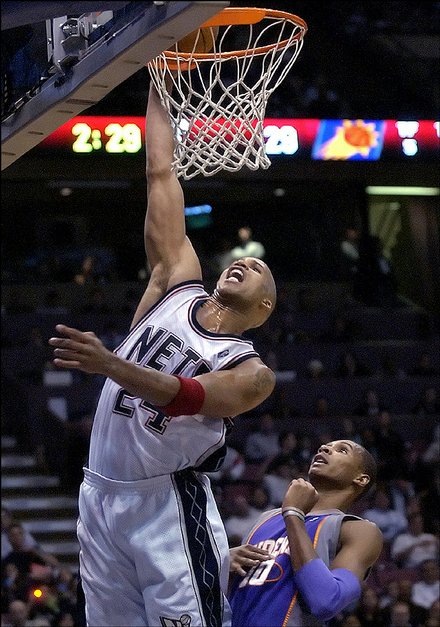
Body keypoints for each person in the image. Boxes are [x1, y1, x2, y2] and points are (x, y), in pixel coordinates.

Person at [48, 78, 278, 627]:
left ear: (265, 306)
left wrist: (110, 364)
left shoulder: (251, 371)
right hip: (99, 493)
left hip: (166, 506)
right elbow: (160, 170)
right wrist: (159, 70)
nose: (246, 263)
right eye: (244, 259)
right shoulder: (177, 280)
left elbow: (186, 396)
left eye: (261, 269)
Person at [228, 439, 383, 626]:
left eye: (342, 450)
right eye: (324, 447)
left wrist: (294, 514)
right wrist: (222, 564)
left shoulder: (359, 529)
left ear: (361, 478)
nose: (324, 448)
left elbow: (326, 602)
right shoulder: (265, 519)